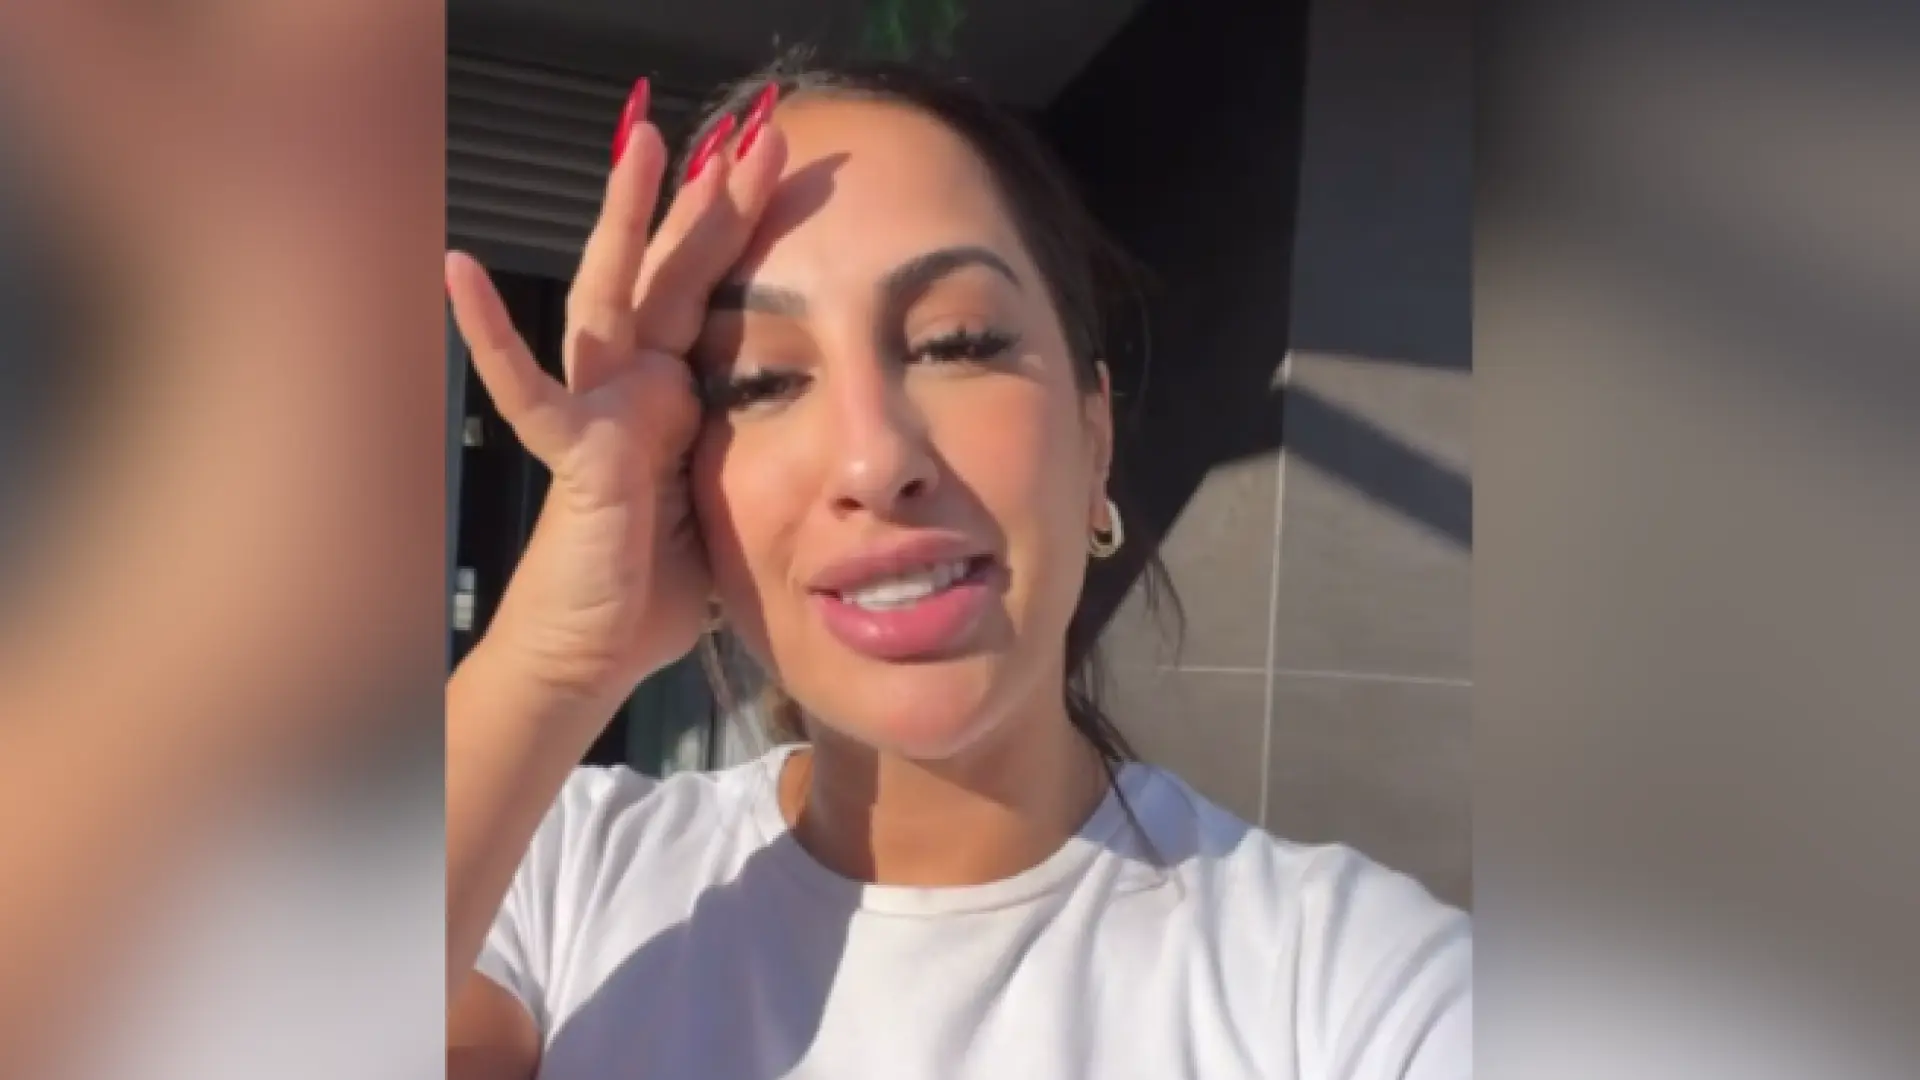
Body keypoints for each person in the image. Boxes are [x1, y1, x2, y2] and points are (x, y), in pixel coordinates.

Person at [445, 58, 1471, 1080]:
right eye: (758, 380)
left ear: (1095, 437)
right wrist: (553, 664)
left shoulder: (1351, 987)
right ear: (685, 481)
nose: (874, 460)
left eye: (958, 342)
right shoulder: (552, 883)